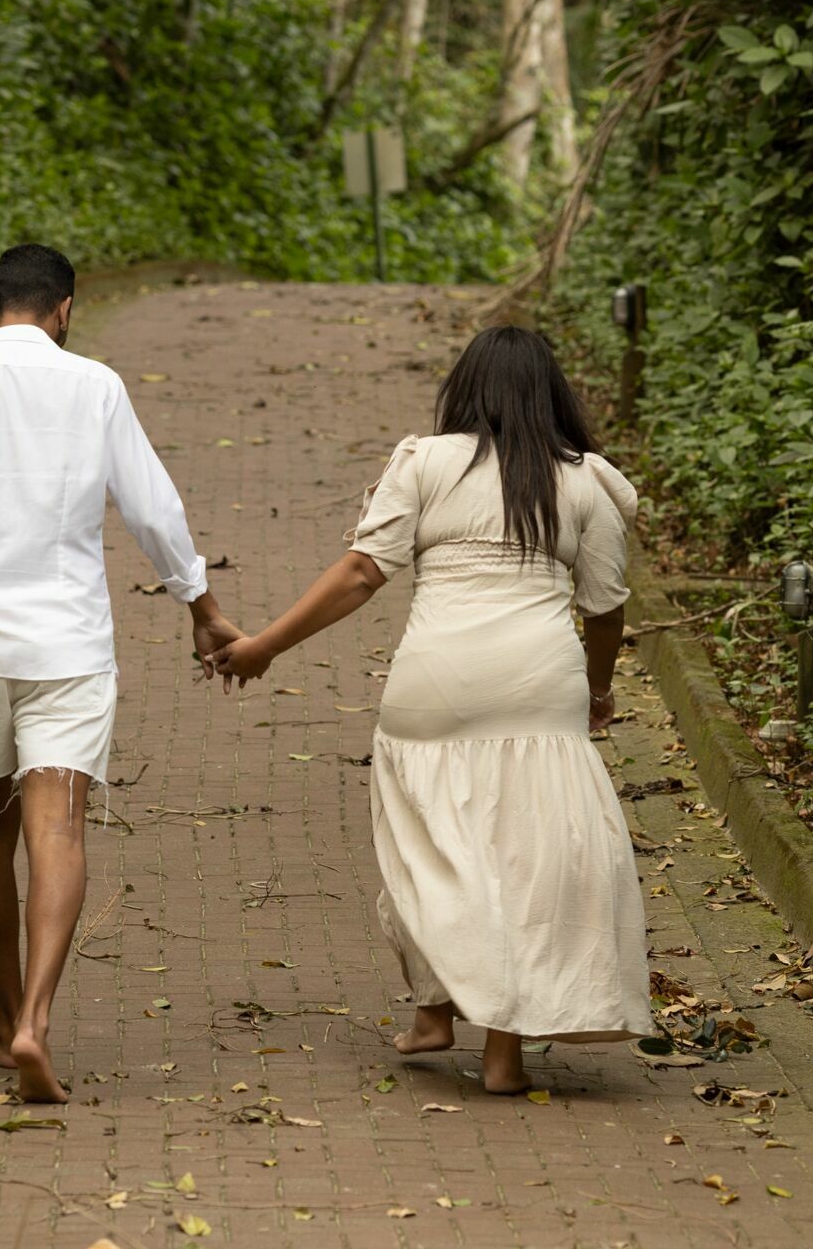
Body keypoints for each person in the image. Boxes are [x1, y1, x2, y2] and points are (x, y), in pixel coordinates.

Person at [211, 325, 653, 1093]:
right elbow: (606, 610)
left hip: (436, 683)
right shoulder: (588, 482)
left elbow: (359, 573)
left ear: (466, 390)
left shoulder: (426, 462)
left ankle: (435, 1008)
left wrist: (265, 647)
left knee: (433, 849)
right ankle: (496, 1051)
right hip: (538, 687)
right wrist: (599, 688)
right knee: (528, 861)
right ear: (555, 397)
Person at [0, 244, 242, 1103]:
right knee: (60, 832)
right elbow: (154, 508)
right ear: (66, 311)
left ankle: (9, 1022)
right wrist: (202, 610)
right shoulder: (96, 388)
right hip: (68, 650)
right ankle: (38, 1022)